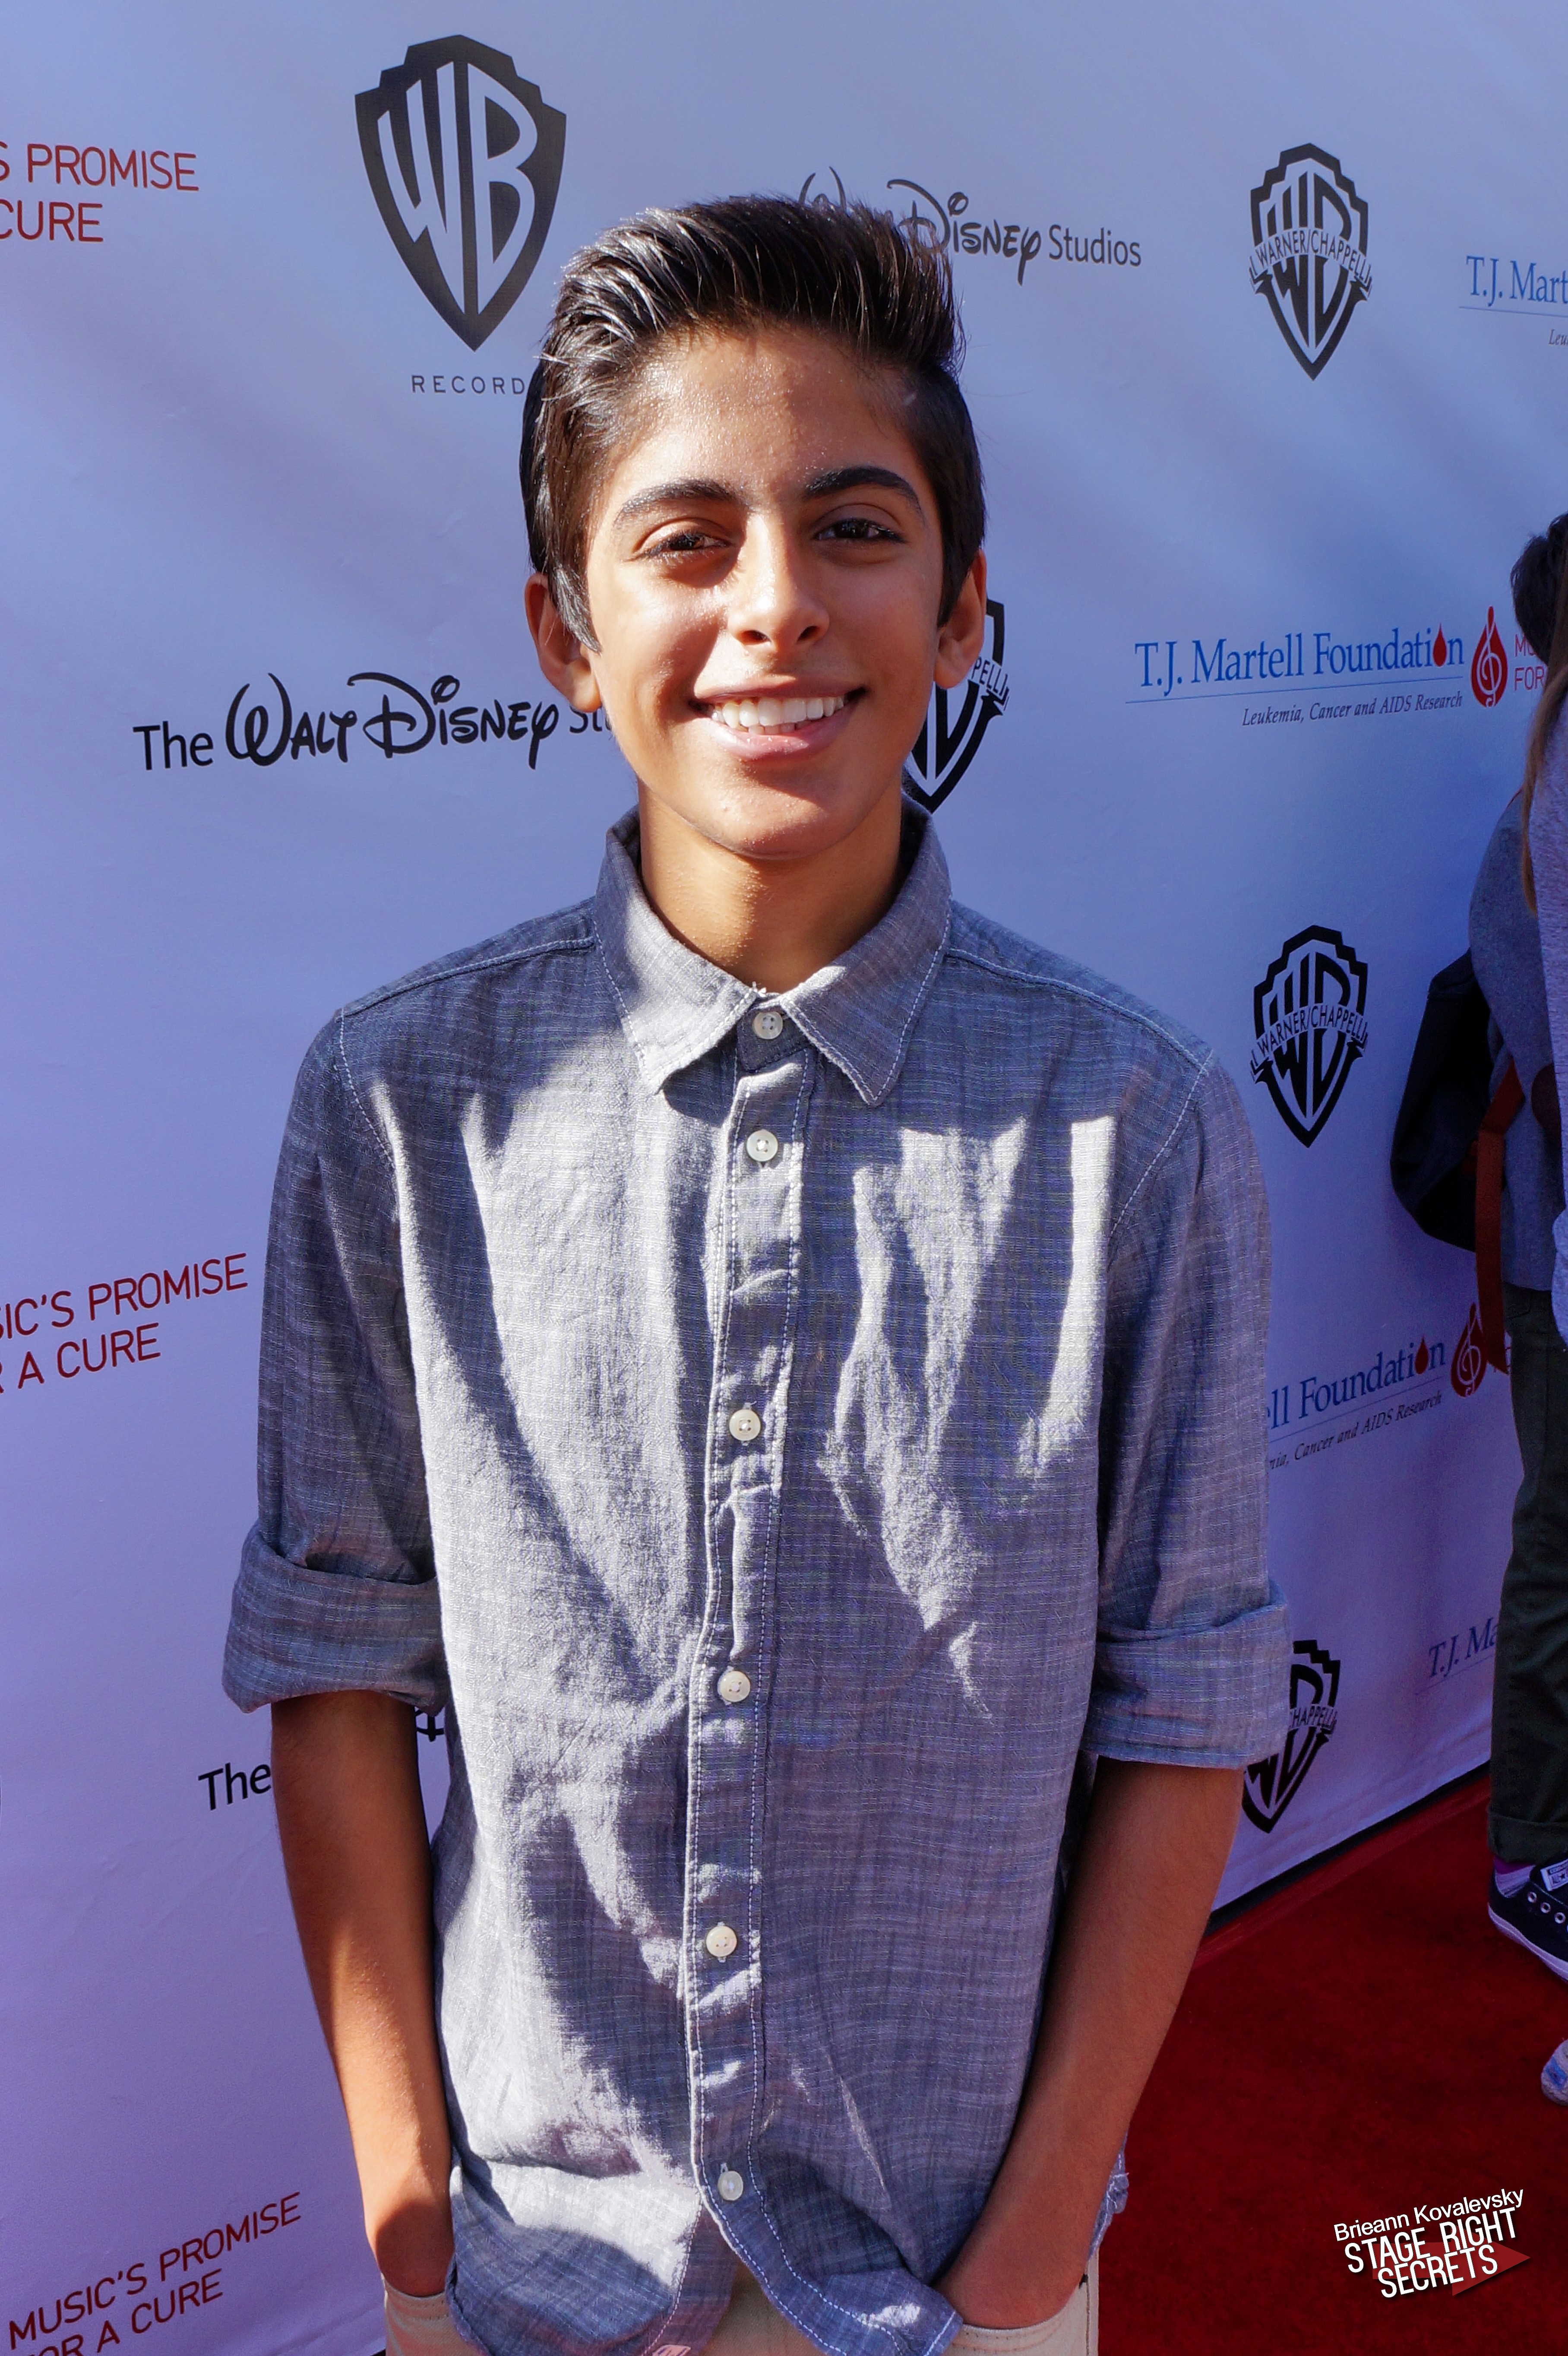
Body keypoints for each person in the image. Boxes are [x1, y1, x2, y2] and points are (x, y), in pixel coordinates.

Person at [223, 197, 1287, 2356]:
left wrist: (1025, 2248)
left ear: (962, 609)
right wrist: (409, 2196)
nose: (775, 605)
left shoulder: (1138, 1127)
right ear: (564, 629)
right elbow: (333, 1656)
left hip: (950, 2275)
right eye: (685, 539)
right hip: (521, 2268)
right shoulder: (400, 1106)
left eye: (853, 528)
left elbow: (1183, 1706)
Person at [1485, 515, 1568, 1996]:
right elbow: (1547, 1077)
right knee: (1560, 1543)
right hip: (1559, 1257)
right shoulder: (1531, 826)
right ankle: (1532, 1856)